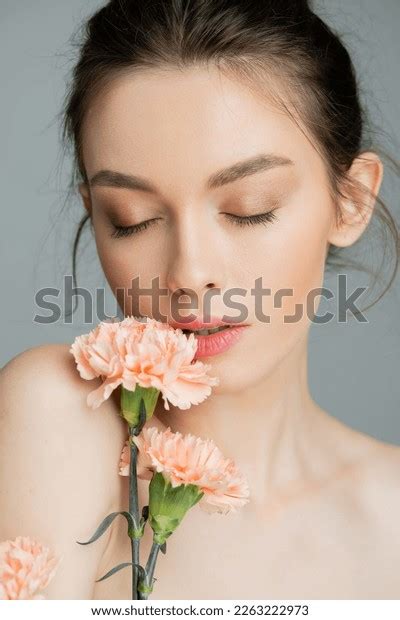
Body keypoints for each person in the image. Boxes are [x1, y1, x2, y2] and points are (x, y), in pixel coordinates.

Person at [1, 0, 400, 600]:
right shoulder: (55, 417)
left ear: (350, 200)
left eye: (250, 208)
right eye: (132, 220)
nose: (189, 275)